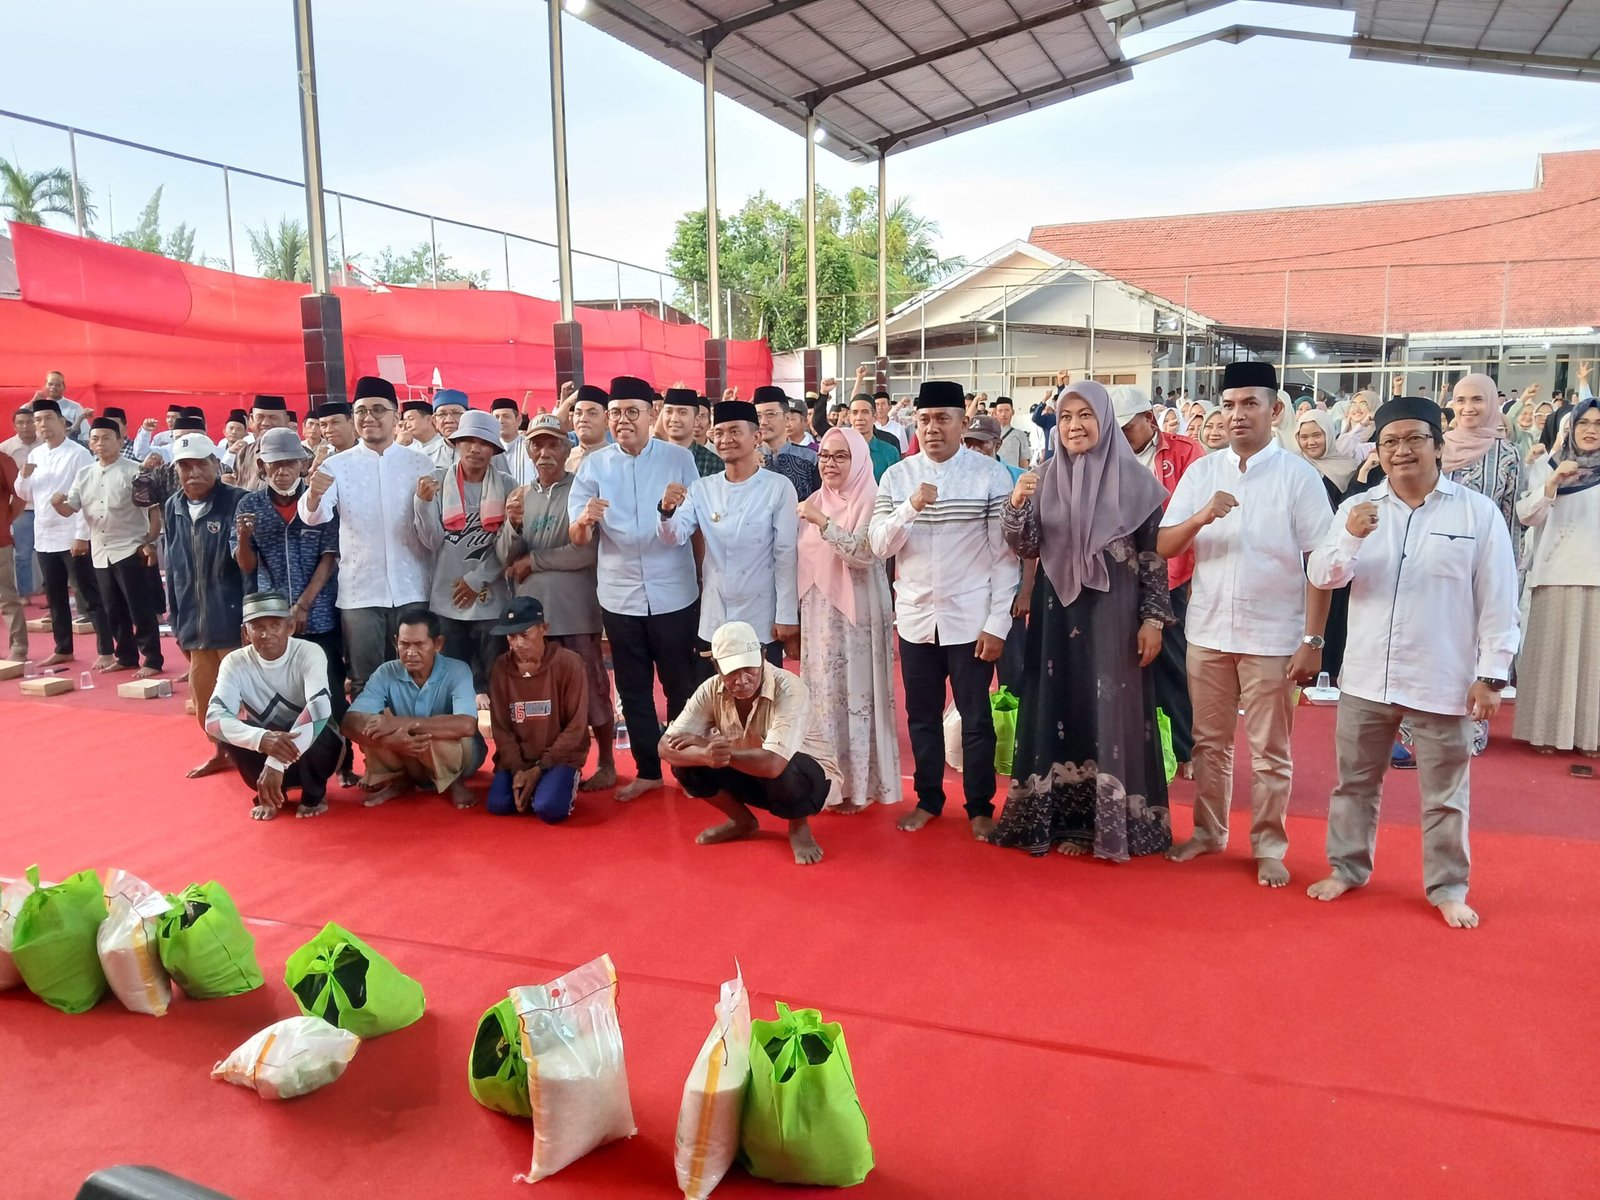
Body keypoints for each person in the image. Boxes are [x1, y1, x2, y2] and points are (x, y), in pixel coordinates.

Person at [1306, 397, 1517, 929]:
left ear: (1438, 447)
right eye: (1390, 442)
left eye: (1414, 439)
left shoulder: (1476, 513)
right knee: (1354, 784)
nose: (1402, 451)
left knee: (1445, 793)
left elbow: (1498, 599)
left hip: (1442, 675)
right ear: (1377, 451)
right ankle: (1347, 868)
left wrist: (1491, 675)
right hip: (1367, 676)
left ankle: (1448, 886)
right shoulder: (1359, 509)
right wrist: (1352, 535)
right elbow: (1323, 577)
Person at [1157, 361, 1333, 887]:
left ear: (1274, 411)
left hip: (1273, 636)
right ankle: (1209, 833)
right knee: (1208, 742)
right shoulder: (1202, 472)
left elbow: (1320, 564)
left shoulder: (1299, 477)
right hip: (1207, 629)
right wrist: (1199, 517)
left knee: (1270, 751)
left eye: (1250, 404)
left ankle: (1269, 845)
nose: (1237, 415)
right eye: (1229, 405)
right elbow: (1165, 545)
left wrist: (1313, 639)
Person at [993, 380, 1174, 859]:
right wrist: (1016, 504)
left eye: (1085, 416)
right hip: (1057, 616)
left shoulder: (1136, 483)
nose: (1074, 425)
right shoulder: (1044, 476)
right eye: (1066, 416)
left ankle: (1109, 825)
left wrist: (1153, 619)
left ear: (1105, 420)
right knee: (1060, 702)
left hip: (1115, 615)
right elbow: (1025, 545)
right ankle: (1062, 822)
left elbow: (1154, 558)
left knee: (1110, 707)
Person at [869, 380, 1015, 840]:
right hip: (915, 620)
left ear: (962, 423)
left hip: (970, 620)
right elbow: (877, 545)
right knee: (922, 718)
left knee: (976, 721)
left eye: (943, 419)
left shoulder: (989, 475)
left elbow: (1004, 557)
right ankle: (929, 800)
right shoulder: (896, 478)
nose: (932, 428)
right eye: (925, 419)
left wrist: (998, 623)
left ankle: (978, 806)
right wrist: (910, 508)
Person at [568, 375, 700, 802]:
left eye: (632, 412)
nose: (622, 420)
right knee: (634, 687)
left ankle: (688, 771)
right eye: (615, 413)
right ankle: (647, 769)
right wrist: (586, 519)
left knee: (681, 687)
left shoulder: (678, 459)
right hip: (620, 595)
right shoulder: (594, 465)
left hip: (674, 591)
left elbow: (690, 524)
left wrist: (669, 517)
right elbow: (577, 537)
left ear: (651, 414)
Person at [500, 413, 617, 791]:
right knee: (540, 693)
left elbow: (584, 554)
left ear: (567, 448)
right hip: (533, 614)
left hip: (575, 610)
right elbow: (506, 557)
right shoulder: (522, 495)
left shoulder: (580, 490)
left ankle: (608, 763)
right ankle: (549, 763)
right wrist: (513, 526)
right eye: (537, 444)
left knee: (593, 689)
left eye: (553, 444)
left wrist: (534, 561)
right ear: (528, 449)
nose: (544, 452)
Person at [299, 376, 435, 698]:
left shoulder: (419, 463)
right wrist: (313, 496)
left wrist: (427, 504)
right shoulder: (337, 466)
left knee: (415, 678)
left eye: (378, 409)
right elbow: (314, 516)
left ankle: (411, 748)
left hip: (411, 586)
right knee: (365, 682)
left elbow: (433, 534)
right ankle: (374, 750)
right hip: (361, 592)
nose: (369, 417)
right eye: (361, 411)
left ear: (396, 414)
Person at [659, 621, 835, 866]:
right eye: (731, 672)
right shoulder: (710, 689)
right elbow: (664, 747)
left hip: (808, 780)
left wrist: (709, 746)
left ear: (763, 656)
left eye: (749, 669)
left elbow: (773, 764)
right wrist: (704, 755)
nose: (741, 680)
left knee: (787, 765)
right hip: (752, 770)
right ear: (716, 667)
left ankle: (798, 825)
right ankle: (741, 821)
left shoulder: (790, 688)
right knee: (685, 763)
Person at [796, 426, 901, 812]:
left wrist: (823, 524)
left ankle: (860, 787)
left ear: (858, 460)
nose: (830, 463)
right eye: (824, 455)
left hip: (857, 612)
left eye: (841, 456)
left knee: (856, 695)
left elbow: (863, 553)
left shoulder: (873, 498)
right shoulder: (813, 499)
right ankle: (828, 783)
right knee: (823, 697)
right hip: (819, 614)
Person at [659, 399, 799, 669]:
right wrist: (666, 511)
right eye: (719, 432)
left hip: (761, 613)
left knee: (760, 699)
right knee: (716, 699)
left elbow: (785, 555)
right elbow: (673, 537)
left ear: (756, 437)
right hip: (715, 613)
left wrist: (786, 615)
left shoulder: (779, 487)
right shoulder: (702, 488)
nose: (726, 439)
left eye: (735, 431)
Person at [232, 426, 347, 748]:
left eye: (289, 462)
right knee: (283, 693)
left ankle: (342, 760)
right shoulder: (248, 506)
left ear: (302, 464)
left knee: (330, 690)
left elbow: (329, 557)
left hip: (320, 613)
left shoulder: (320, 500)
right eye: (274, 464)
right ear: (261, 467)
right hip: (272, 619)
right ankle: (292, 759)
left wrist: (304, 606)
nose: (282, 471)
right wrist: (244, 537)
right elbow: (246, 565)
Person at [1113, 384, 1206, 776]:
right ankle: (1137, 746)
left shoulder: (1186, 454)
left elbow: (1194, 520)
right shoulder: (1105, 458)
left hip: (1171, 576)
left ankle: (1185, 749)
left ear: (1149, 420)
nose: (1118, 437)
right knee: (1125, 666)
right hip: (1118, 580)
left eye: (1126, 428)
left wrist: (1187, 580)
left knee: (1173, 666)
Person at [205, 591, 344, 821]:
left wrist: (276, 761)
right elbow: (213, 720)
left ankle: (314, 794)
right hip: (268, 752)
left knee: (316, 721)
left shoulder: (309, 652)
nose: (266, 633)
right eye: (257, 627)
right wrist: (262, 739)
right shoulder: (234, 662)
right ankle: (270, 795)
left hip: (312, 755)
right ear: (245, 633)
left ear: (289, 627)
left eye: (274, 625)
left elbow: (320, 709)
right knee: (232, 731)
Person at [1513, 393, 1600, 755]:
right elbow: (1525, 515)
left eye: (1598, 425)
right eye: (1583, 423)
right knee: (1553, 660)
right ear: (1570, 428)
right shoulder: (1549, 465)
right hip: (1555, 573)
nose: (1591, 430)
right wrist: (1552, 486)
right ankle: (1547, 732)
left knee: (1593, 665)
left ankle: (1591, 736)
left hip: (1597, 575)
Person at [413, 409, 515, 703]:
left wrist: (477, 579)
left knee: (496, 684)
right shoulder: (436, 481)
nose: (475, 448)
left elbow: (509, 545)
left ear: (494, 449)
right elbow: (431, 541)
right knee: (451, 687)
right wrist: (423, 503)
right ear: (456, 444)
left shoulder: (508, 486)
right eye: (467, 440)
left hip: (491, 599)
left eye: (483, 442)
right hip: (447, 599)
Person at [163, 432, 248, 778]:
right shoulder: (173, 506)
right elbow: (173, 565)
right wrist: (175, 616)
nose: (193, 472)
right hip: (193, 621)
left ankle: (260, 758)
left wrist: (252, 617)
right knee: (204, 701)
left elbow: (251, 565)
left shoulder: (239, 501)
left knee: (248, 697)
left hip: (232, 619)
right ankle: (222, 751)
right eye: (185, 466)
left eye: (201, 463)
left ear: (216, 463)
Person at [342, 606, 487, 809]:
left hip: (462, 756)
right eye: (404, 644)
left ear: (438, 644)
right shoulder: (386, 672)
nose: (411, 652)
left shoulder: (457, 670)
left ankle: (453, 782)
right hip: (410, 754)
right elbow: (349, 723)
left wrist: (398, 725)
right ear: (395, 643)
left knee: (431, 731)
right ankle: (400, 781)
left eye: (419, 644)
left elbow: (467, 726)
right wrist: (391, 739)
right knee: (371, 723)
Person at [52, 417, 163, 677]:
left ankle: (152, 659)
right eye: (94, 439)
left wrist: (149, 542)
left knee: (139, 607)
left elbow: (153, 512)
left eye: (105, 438)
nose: (99, 443)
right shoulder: (85, 473)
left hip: (130, 547)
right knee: (112, 607)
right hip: (100, 549)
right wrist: (58, 504)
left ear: (120, 441)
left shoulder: (135, 472)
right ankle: (125, 656)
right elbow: (71, 509)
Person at [15, 398, 104, 669]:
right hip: (44, 534)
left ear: (62, 422)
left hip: (72, 532)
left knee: (88, 595)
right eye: (37, 420)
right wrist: (23, 476)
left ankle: (107, 650)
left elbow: (87, 497)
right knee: (54, 597)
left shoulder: (78, 454)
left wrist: (81, 535)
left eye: (47, 419)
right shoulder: (35, 455)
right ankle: (63, 647)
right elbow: (24, 494)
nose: (42, 425)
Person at [485, 596, 591, 820]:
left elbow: (576, 727)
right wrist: (518, 770)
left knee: (548, 809)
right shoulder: (501, 667)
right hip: (519, 760)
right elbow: (501, 728)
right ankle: (534, 785)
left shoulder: (569, 663)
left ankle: (553, 783)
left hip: (558, 758)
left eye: (524, 634)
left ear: (544, 628)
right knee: (499, 804)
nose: (518, 644)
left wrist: (540, 768)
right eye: (511, 636)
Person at [1291, 409, 1361, 684]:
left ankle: (1331, 671)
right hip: (1303, 554)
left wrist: (1363, 475)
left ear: (1329, 435)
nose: (1311, 442)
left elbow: (1352, 505)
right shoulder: (1294, 467)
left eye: (1317, 435)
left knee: (1336, 614)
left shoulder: (1346, 466)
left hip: (1340, 553)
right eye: (1304, 437)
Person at [753, 387, 821, 498]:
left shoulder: (810, 458)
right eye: (758, 416)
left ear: (787, 417)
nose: (763, 422)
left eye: (771, 414)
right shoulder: (747, 461)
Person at [230, 395, 293, 491]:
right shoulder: (243, 453)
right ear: (251, 419)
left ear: (286, 420)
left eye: (273, 417)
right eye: (260, 417)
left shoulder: (300, 454)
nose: (265, 423)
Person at [0, 446, 26, 661]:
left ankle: (18, 647)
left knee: (5, 596)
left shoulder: (2, 460)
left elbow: (20, 495)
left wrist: (6, 519)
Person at [662, 387, 722, 478]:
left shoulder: (712, 462)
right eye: (668, 411)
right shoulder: (651, 457)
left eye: (682, 412)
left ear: (696, 420)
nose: (674, 419)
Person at [846, 394, 901, 481]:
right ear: (849, 417)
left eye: (865, 412)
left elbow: (897, 486)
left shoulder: (889, 452)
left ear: (874, 417)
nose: (859, 418)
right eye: (855, 412)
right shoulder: (841, 450)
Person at [564, 384, 611, 472]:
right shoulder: (564, 458)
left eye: (592, 413)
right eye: (578, 413)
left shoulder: (616, 460)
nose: (583, 419)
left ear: (607, 420)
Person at [403, 397, 455, 470]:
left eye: (411, 419)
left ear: (429, 419)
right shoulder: (408, 449)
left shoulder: (447, 446)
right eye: (405, 421)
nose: (407, 425)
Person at [992, 397, 1031, 469]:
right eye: (1000, 411)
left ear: (1012, 412)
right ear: (995, 413)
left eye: (1007, 410)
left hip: (1013, 477)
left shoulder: (1020, 434)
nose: (1003, 414)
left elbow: (1023, 460)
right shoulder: (989, 433)